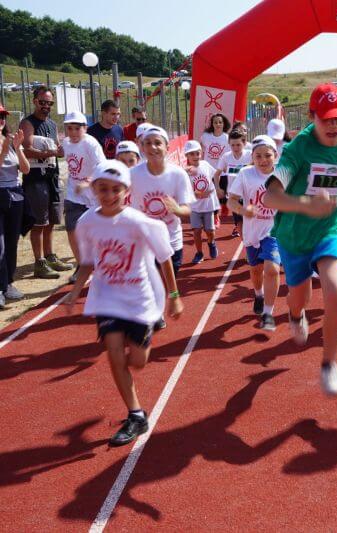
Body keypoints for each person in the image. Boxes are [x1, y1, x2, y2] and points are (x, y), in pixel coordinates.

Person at [262, 83, 337, 396]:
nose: (333, 124)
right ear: (313, 116)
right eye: (326, 118)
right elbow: (271, 197)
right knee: (300, 296)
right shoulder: (297, 149)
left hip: (332, 229)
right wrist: (306, 205)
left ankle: (329, 363)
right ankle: (294, 313)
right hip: (295, 235)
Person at [64, 160, 183, 447]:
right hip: (107, 297)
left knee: (138, 362)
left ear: (126, 192)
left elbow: (164, 257)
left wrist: (174, 296)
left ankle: (145, 339)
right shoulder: (87, 222)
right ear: (94, 190)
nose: (108, 195)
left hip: (140, 299)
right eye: (102, 189)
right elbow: (88, 261)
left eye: (115, 189)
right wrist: (76, 291)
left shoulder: (139, 222)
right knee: (115, 355)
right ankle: (136, 415)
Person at [129, 126, 195, 331]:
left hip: (171, 240)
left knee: (167, 279)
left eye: (158, 143)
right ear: (141, 147)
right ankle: (152, 313)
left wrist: (177, 209)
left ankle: (160, 303)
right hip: (144, 239)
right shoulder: (133, 174)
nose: (153, 147)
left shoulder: (177, 175)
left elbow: (187, 210)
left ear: (167, 147)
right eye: (148, 143)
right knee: (148, 279)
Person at [229, 135, 281, 330]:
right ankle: (258, 294)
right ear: (252, 157)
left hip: (274, 231)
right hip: (252, 232)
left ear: (275, 155)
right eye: (258, 156)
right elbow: (231, 200)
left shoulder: (284, 174)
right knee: (256, 270)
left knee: (272, 269)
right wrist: (244, 210)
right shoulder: (245, 174)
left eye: (268, 155)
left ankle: (268, 313)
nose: (263, 160)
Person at [21, 87, 71, 279]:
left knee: (51, 220)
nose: (46, 106)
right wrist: (51, 153)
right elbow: (26, 150)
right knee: (39, 223)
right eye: (43, 102)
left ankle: (50, 256)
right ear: (35, 101)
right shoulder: (27, 123)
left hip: (52, 176)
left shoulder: (51, 124)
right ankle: (39, 262)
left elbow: (58, 149)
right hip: (35, 178)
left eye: (49, 103)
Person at [62, 111, 107, 283]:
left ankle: (103, 264)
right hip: (74, 194)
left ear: (85, 128)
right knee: (72, 229)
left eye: (76, 129)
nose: (73, 132)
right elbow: (63, 153)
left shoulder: (91, 144)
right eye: (69, 128)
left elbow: (101, 166)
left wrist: (89, 181)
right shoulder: (66, 143)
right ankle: (81, 266)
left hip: (93, 196)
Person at [0, 107, 30, 305]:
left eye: (3, 116)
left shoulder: (10, 140)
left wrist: (18, 148)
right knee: (0, 246)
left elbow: (26, 169)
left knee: (12, 243)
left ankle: (8, 283)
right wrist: (3, 150)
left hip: (15, 195)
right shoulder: (5, 144)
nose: (1, 120)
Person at [183, 140, 220, 265]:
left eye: (197, 153)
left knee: (210, 231)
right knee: (197, 231)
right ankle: (199, 253)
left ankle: (211, 242)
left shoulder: (205, 165)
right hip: (195, 207)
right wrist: (198, 194)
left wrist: (218, 188)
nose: (195, 156)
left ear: (201, 153)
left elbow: (216, 174)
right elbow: (185, 191)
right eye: (191, 154)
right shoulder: (186, 172)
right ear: (187, 156)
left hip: (208, 206)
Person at [214, 130, 252, 238]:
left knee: (250, 225)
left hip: (249, 195)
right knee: (239, 224)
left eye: (238, 145)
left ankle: (251, 247)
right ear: (229, 144)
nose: (235, 148)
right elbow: (217, 175)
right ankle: (247, 247)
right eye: (233, 145)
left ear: (244, 143)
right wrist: (218, 188)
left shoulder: (250, 155)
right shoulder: (226, 157)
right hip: (234, 197)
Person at [200, 113, 231, 198]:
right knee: (211, 198)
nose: (218, 124)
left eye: (220, 122)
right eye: (215, 122)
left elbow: (229, 155)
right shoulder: (206, 136)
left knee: (223, 198)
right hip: (209, 173)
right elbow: (201, 151)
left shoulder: (227, 138)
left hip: (223, 173)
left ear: (223, 124)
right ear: (212, 124)